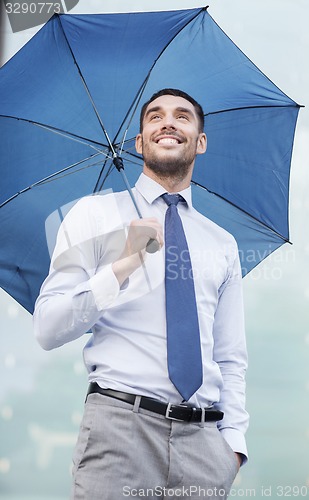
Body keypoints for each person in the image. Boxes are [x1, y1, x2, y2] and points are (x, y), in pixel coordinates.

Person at [33, 88, 249, 500]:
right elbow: (48, 327)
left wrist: (233, 447)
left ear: (200, 141)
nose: (168, 122)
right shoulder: (92, 215)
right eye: (155, 116)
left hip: (205, 446)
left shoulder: (222, 243)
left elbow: (230, 355)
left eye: (182, 116)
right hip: (120, 433)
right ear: (140, 142)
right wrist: (123, 264)